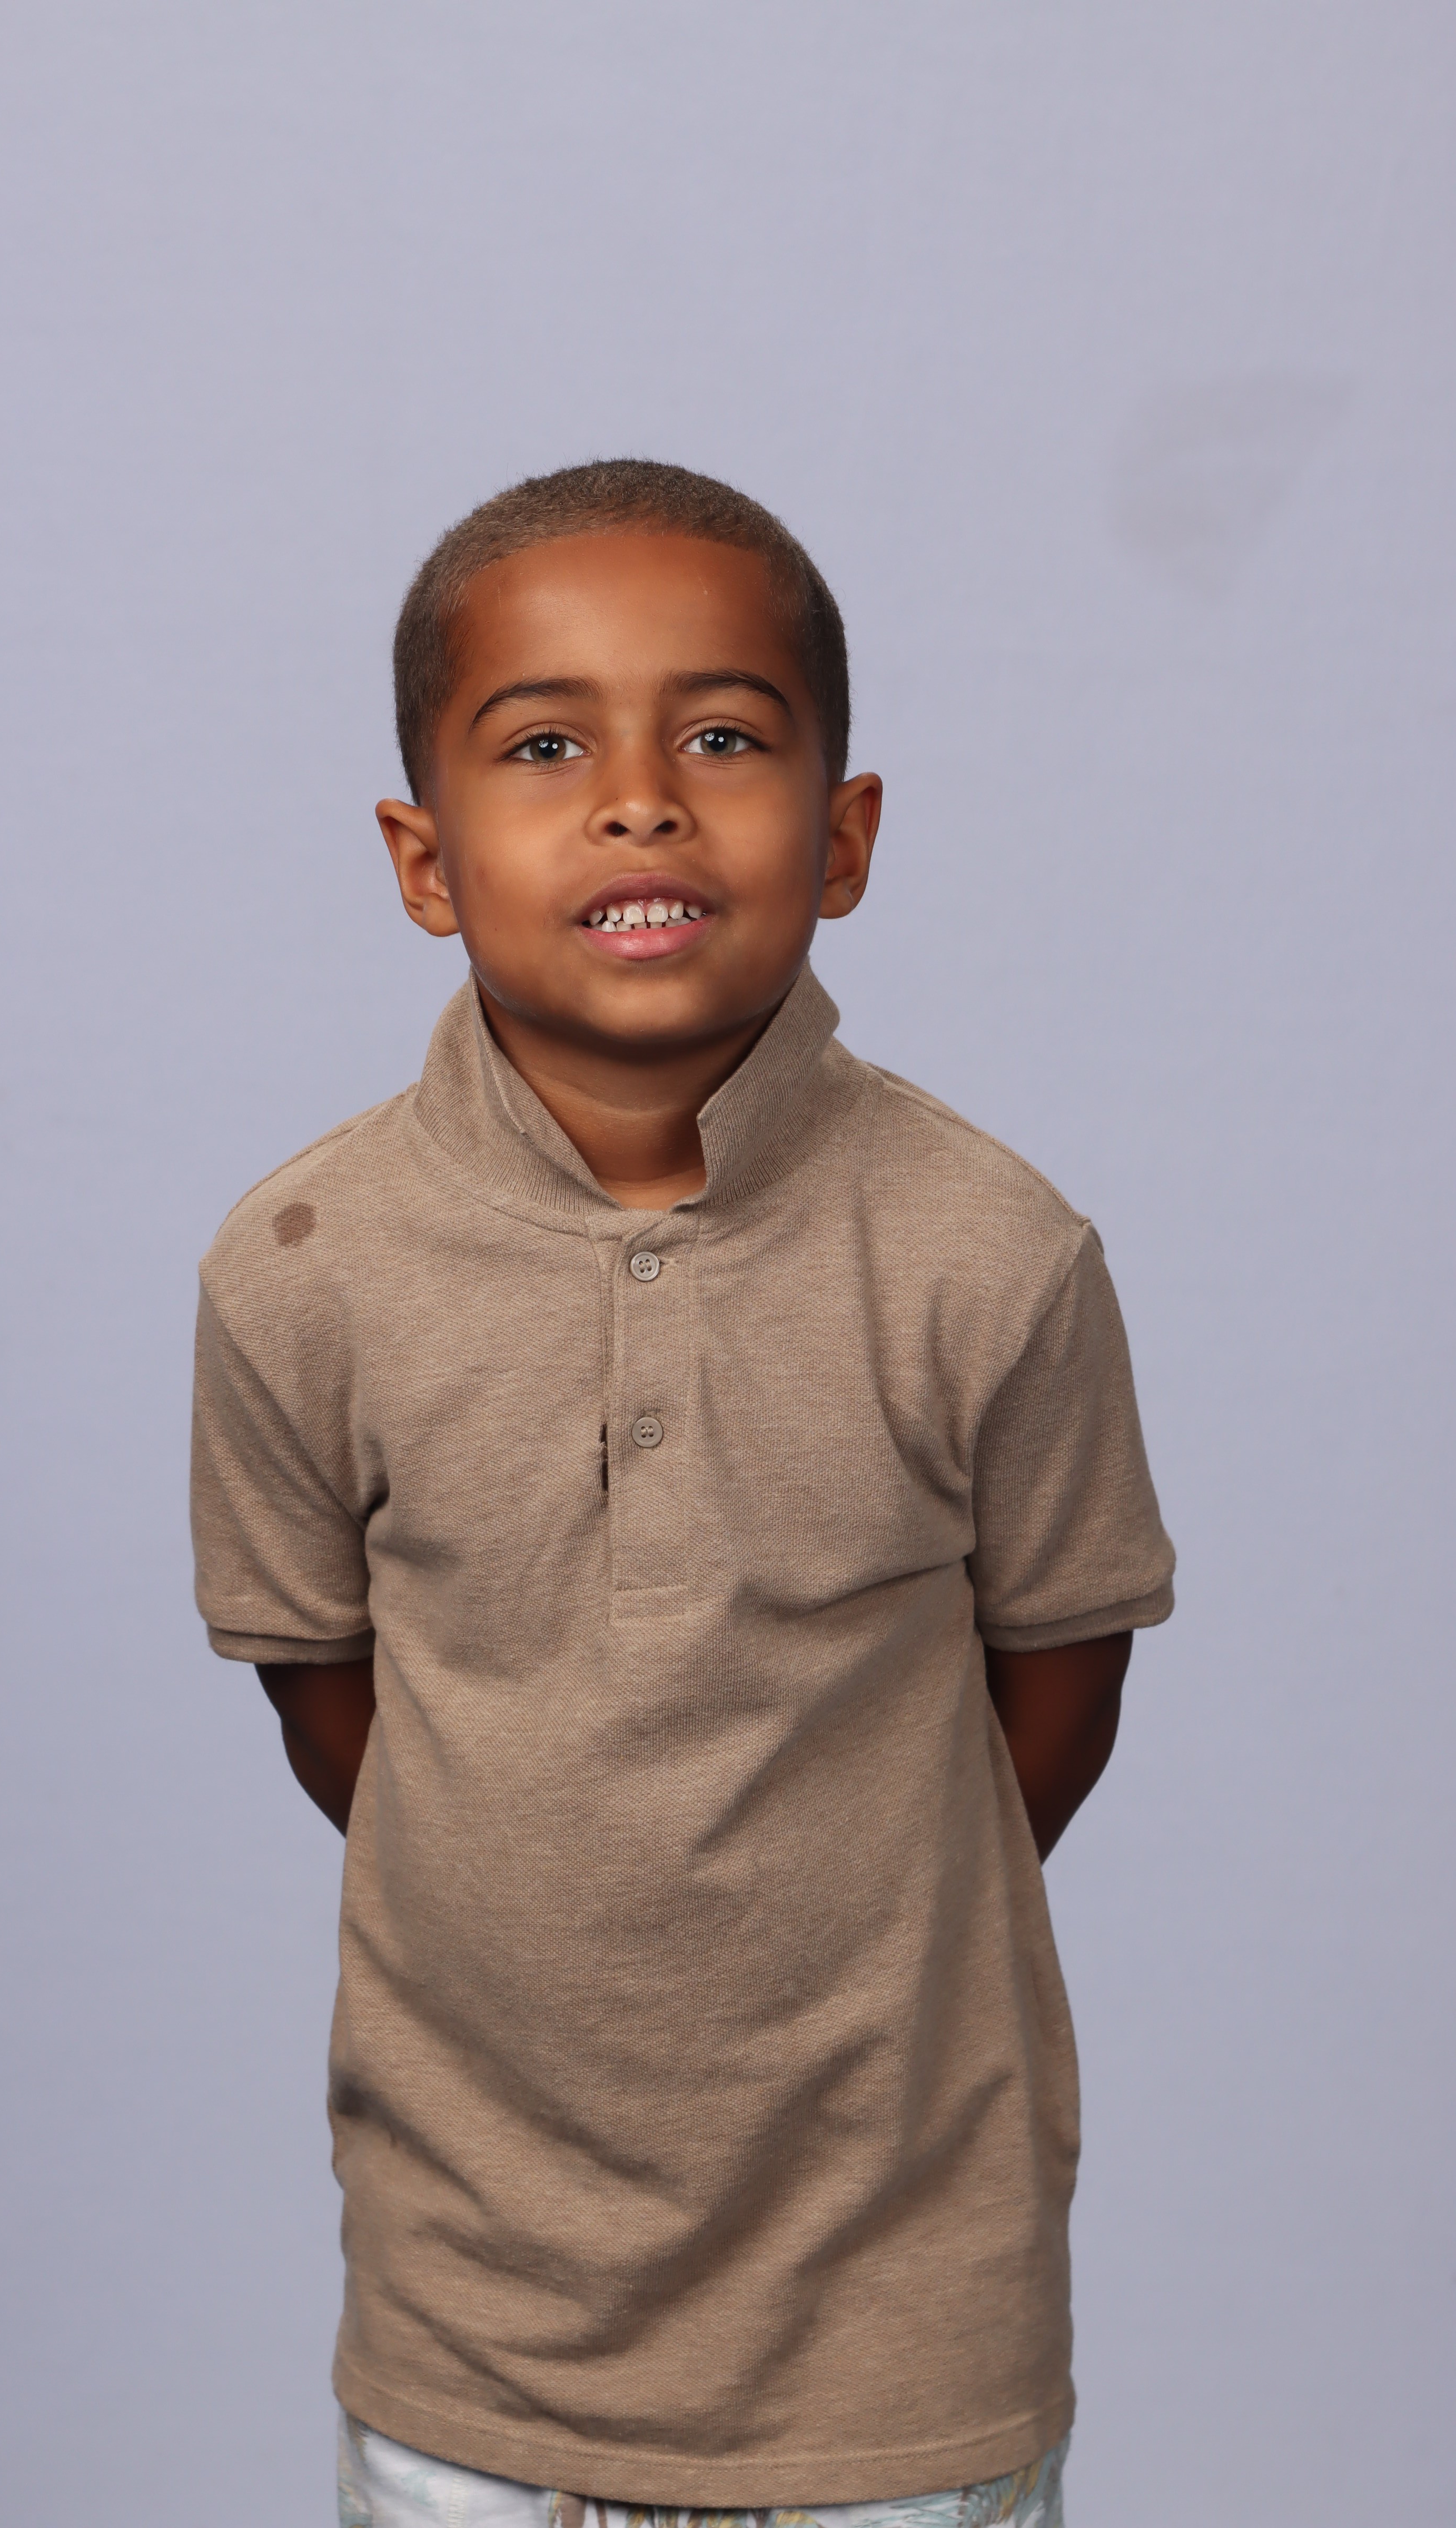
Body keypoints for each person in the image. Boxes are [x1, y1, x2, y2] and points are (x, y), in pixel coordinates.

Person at [190, 460, 1174, 2528]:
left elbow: (1057, 1694)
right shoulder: (300, 1269)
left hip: (903, 2337)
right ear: (423, 859)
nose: (639, 802)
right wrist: (553, 1889)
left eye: (720, 739)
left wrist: (857, 1926)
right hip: (474, 2334)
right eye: (545, 747)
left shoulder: (992, 1255)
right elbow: (336, 1710)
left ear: (843, 837)